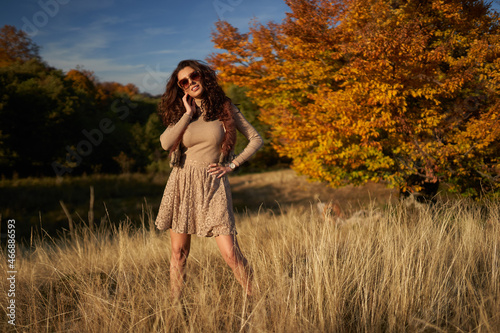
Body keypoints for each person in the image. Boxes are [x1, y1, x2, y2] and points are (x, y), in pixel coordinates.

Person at [155, 59, 263, 300]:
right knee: (178, 252)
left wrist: (232, 165)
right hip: (182, 182)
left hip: (213, 183)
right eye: (184, 81)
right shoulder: (183, 113)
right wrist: (187, 114)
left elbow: (256, 139)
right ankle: (175, 307)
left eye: (194, 76)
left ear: (203, 75)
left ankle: (257, 300)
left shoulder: (225, 108)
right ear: (181, 88)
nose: (191, 82)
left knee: (231, 254)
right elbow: (165, 143)